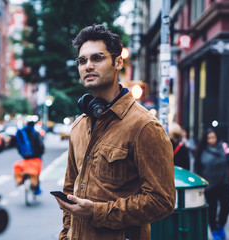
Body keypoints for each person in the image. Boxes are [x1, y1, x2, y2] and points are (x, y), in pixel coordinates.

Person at [53, 24, 176, 240]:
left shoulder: (144, 126)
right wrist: (65, 235)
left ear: (118, 62)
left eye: (97, 58)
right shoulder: (79, 126)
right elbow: (69, 193)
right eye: (82, 61)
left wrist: (96, 212)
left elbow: (162, 201)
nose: (88, 66)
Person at [194, 128, 229, 240]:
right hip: (209, 185)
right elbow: (197, 169)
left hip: (224, 183)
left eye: (213, 137)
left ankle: (221, 225)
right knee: (212, 210)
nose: (211, 140)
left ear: (217, 137)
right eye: (209, 138)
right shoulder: (202, 150)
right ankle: (214, 230)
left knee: (226, 206)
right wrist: (198, 185)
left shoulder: (224, 147)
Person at [13, 119, 45, 194]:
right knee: (37, 173)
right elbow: (41, 145)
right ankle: (36, 189)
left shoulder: (22, 133)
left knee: (22, 169)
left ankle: (21, 181)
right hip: (36, 157)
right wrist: (40, 153)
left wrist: (23, 154)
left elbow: (18, 145)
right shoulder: (36, 133)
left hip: (26, 158)